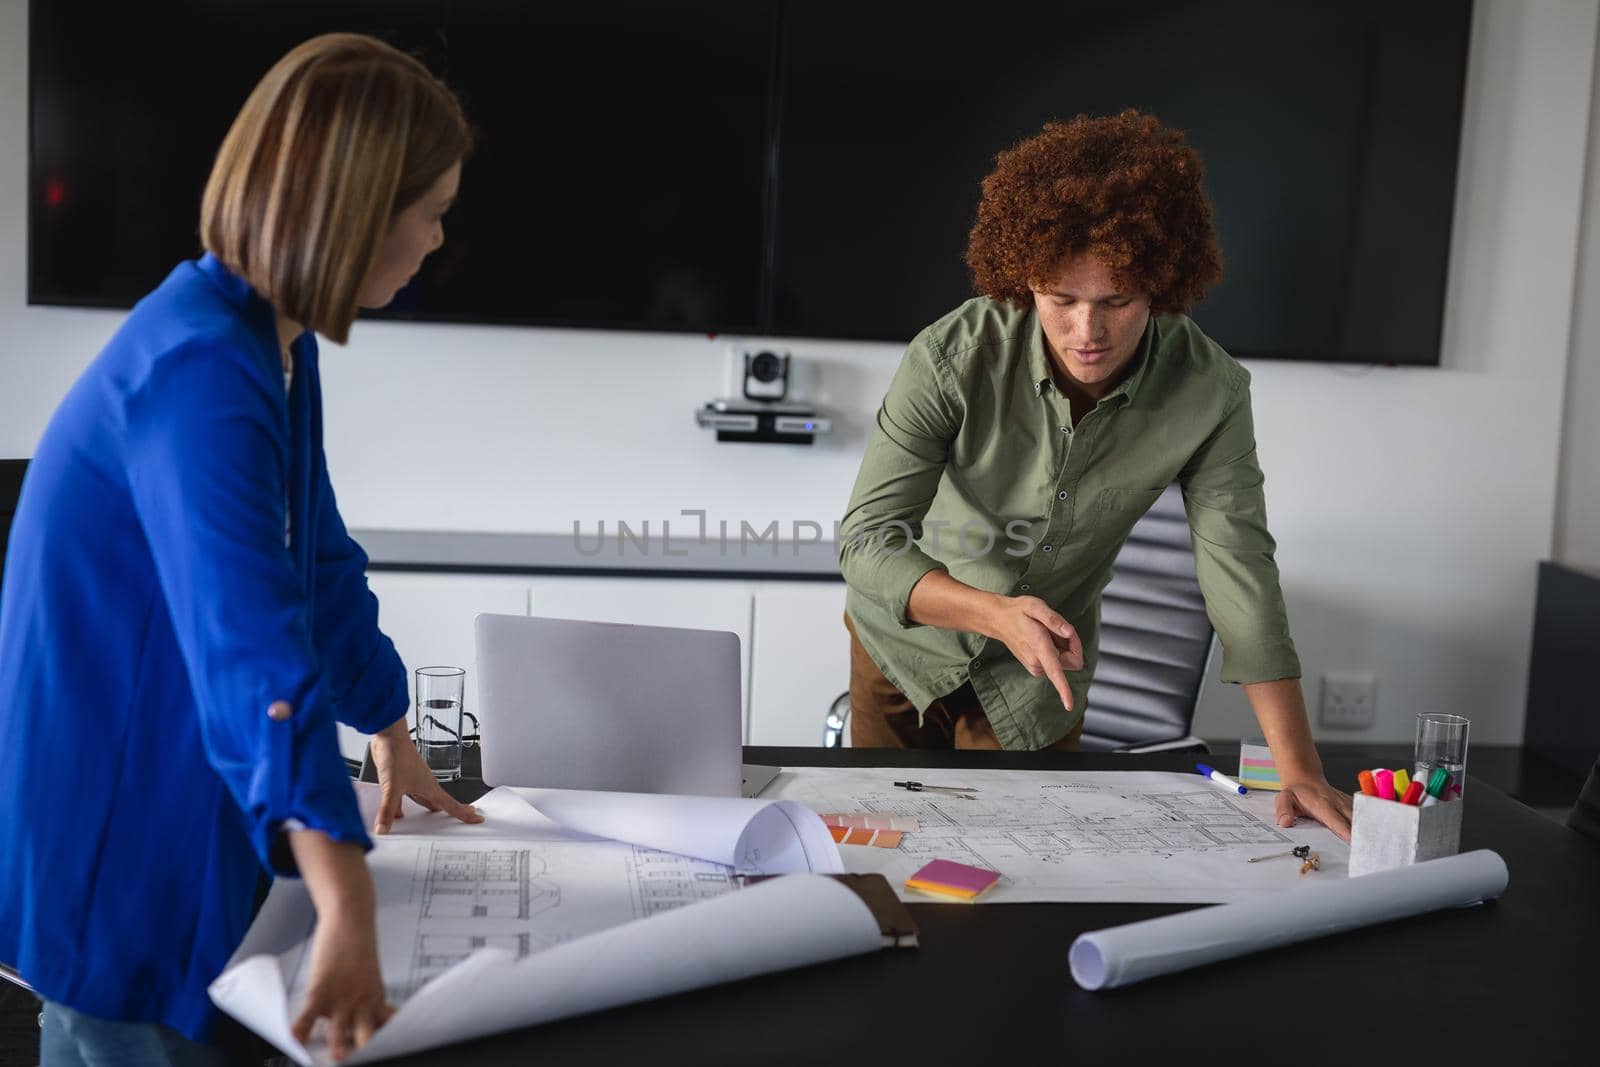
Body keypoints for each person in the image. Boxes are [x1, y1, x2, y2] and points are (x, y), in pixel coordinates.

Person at [0, 33, 485, 1064]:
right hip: (119, 840)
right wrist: (345, 889)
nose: (439, 241)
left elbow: (316, 557)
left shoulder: (268, 337)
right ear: (358, 212)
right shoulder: (201, 370)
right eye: (432, 212)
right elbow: (251, 647)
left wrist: (388, 721)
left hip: (184, 797)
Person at [838, 110, 1352, 841]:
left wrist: (1296, 765)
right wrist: (994, 612)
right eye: (1061, 300)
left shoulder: (1210, 391)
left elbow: (1242, 573)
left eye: (1117, 301)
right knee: (887, 855)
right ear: (1025, 280)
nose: (1089, 332)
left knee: (1026, 872)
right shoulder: (953, 354)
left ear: (1162, 282)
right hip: (906, 648)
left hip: (1039, 682)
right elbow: (866, 541)